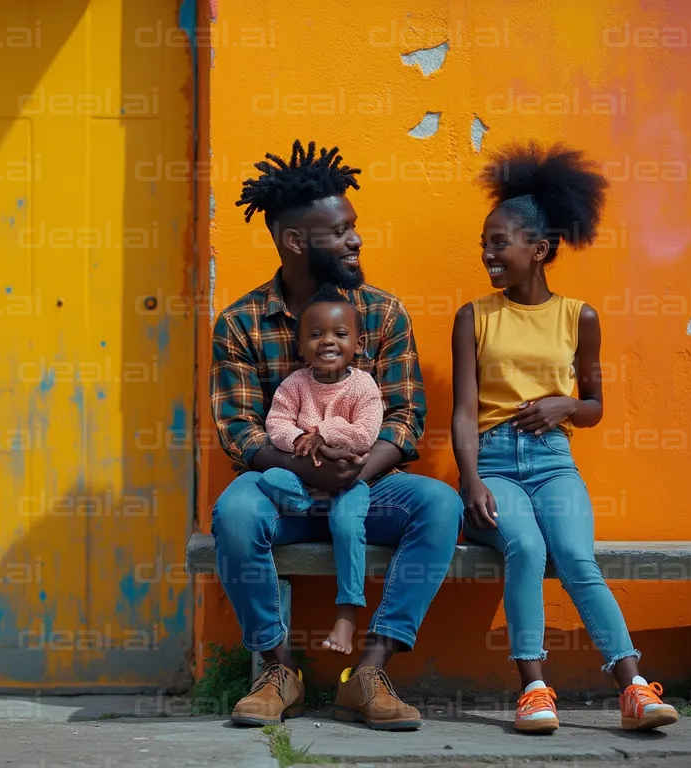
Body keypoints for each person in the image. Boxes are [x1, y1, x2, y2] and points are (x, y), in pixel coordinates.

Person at [210, 139, 462, 731]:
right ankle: (278, 670)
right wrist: (311, 470)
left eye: (355, 227)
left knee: (440, 505)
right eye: (341, 231)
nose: (356, 240)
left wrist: (356, 471)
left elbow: (405, 417)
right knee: (235, 513)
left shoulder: (382, 314)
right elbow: (240, 433)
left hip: (367, 487)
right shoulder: (240, 324)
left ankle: (367, 672)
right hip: (284, 491)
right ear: (296, 241)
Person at [451, 140, 680, 734]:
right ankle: (533, 691)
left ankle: (632, 687)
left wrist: (566, 405)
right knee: (525, 549)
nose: (488, 254)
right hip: (495, 463)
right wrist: (471, 479)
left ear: (541, 247)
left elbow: (596, 407)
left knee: (577, 557)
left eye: (499, 243)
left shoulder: (580, 317)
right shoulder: (474, 317)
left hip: (554, 463)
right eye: (484, 245)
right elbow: (463, 411)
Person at [260, 282, 383, 656]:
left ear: (358, 344)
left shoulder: (363, 386)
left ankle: (346, 614)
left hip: (347, 484)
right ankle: (305, 505)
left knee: (348, 525)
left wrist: (323, 435)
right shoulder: (295, 384)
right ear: (301, 348)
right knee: (269, 478)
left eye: (339, 334)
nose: (327, 342)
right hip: (302, 478)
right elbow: (276, 423)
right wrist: (302, 440)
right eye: (315, 335)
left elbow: (365, 433)